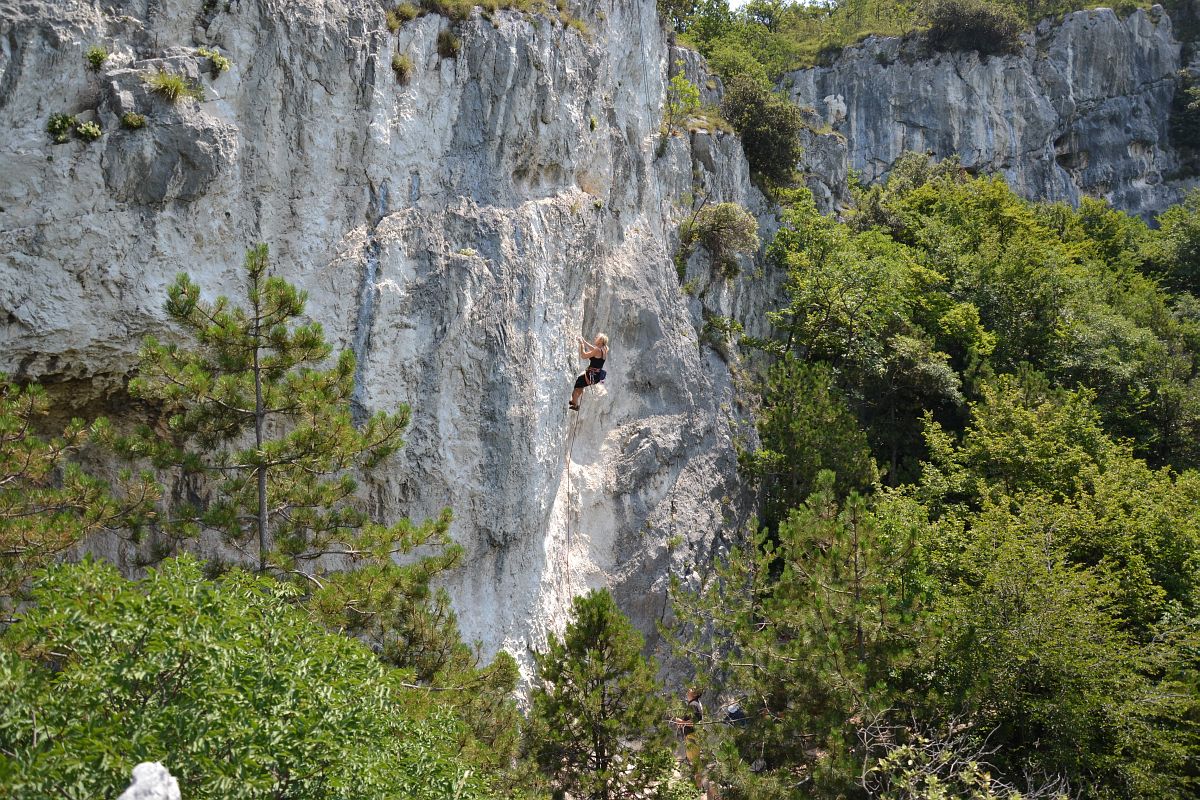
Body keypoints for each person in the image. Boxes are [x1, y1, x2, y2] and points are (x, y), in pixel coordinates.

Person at [568, 333, 608, 410]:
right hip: (595, 376)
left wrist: (582, 344)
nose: (595, 338)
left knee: (577, 386)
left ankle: (575, 404)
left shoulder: (597, 350)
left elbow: (583, 355)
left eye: (597, 337)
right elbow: (594, 349)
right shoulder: (604, 349)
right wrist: (585, 342)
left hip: (590, 376)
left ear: (600, 341)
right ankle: (575, 400)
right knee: (581, 384)